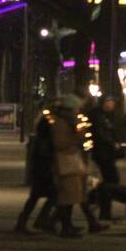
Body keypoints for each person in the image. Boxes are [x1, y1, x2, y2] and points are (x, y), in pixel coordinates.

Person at [51, 94, 100, 238]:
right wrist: (76, 139)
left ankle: (66, 225)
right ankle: (64, 227)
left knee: (73, 195)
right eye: (76, 108)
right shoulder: (61, 123)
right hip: (65, 162)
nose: (78, 111)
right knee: (68, 196)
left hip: (72, 162)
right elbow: (60, 143)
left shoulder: (71, 122)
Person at [15, 105, 58, 234]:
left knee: (37, 197)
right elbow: (45, 153)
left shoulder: (42, 131)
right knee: (52, 195)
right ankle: (39, 220)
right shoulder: (46, 135)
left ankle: (26, 221)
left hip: (40, 170)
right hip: (44, 170)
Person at [86, 95, 122, 221]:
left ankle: (102, 207)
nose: (113, 105)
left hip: (106, 153)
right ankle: (96, 201)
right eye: (110, 102)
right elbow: (101, 134)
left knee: (110, 181)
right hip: (103, 153)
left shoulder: (106, 116)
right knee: (111, 180)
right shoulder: (98, 116)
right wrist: (112, 143)